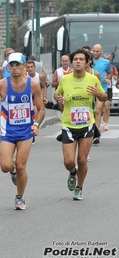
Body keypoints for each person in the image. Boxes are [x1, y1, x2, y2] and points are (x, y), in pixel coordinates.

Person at [0, 52, 45, 210]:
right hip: (8, 131)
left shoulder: (32, 85)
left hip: (26, 130)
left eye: (18, 65)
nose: (14, 68)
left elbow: (41, 109)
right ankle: (13, 173)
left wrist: (37, 124)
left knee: (21, 166)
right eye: (11, 65)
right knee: (6, 166)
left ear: (24, 66)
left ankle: (19, 197)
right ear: (8, 67)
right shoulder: (2, 85)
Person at [54, 49, 107, 200]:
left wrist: (97, 94)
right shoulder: (65, 79)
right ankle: (72, 172)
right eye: (75, 59)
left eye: (81, 59)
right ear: (71, 62)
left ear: (87, 62)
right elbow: (57, 92)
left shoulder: (93, 78)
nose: (78, 61)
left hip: (87, 124)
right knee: (69, 161)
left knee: (82, 159)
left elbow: (104, 96)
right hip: (69, 124)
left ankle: (79, 188)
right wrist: (58, 97)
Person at [91, 44, 111, 144]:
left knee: (98, 110)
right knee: (92, 111)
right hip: (90, 88)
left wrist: (108, 78)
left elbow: (110, 72)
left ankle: (96, 133)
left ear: (101, 52)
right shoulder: (89, 61)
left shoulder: (106, 62)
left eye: (97, 51)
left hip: (101, 88)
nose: (95, 53)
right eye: (94, 51)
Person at [102, 53, 118, 131]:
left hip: (108, 88)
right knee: (100, 108)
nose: (106, 60)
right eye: (105, 58)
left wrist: (116, 79)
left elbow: (117, 75)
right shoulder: (99, 66)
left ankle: (106, 124)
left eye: (108, 58)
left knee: (107, 106)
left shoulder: (113, 67)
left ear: (110, 60)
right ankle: (102, 115)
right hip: (100, 88)